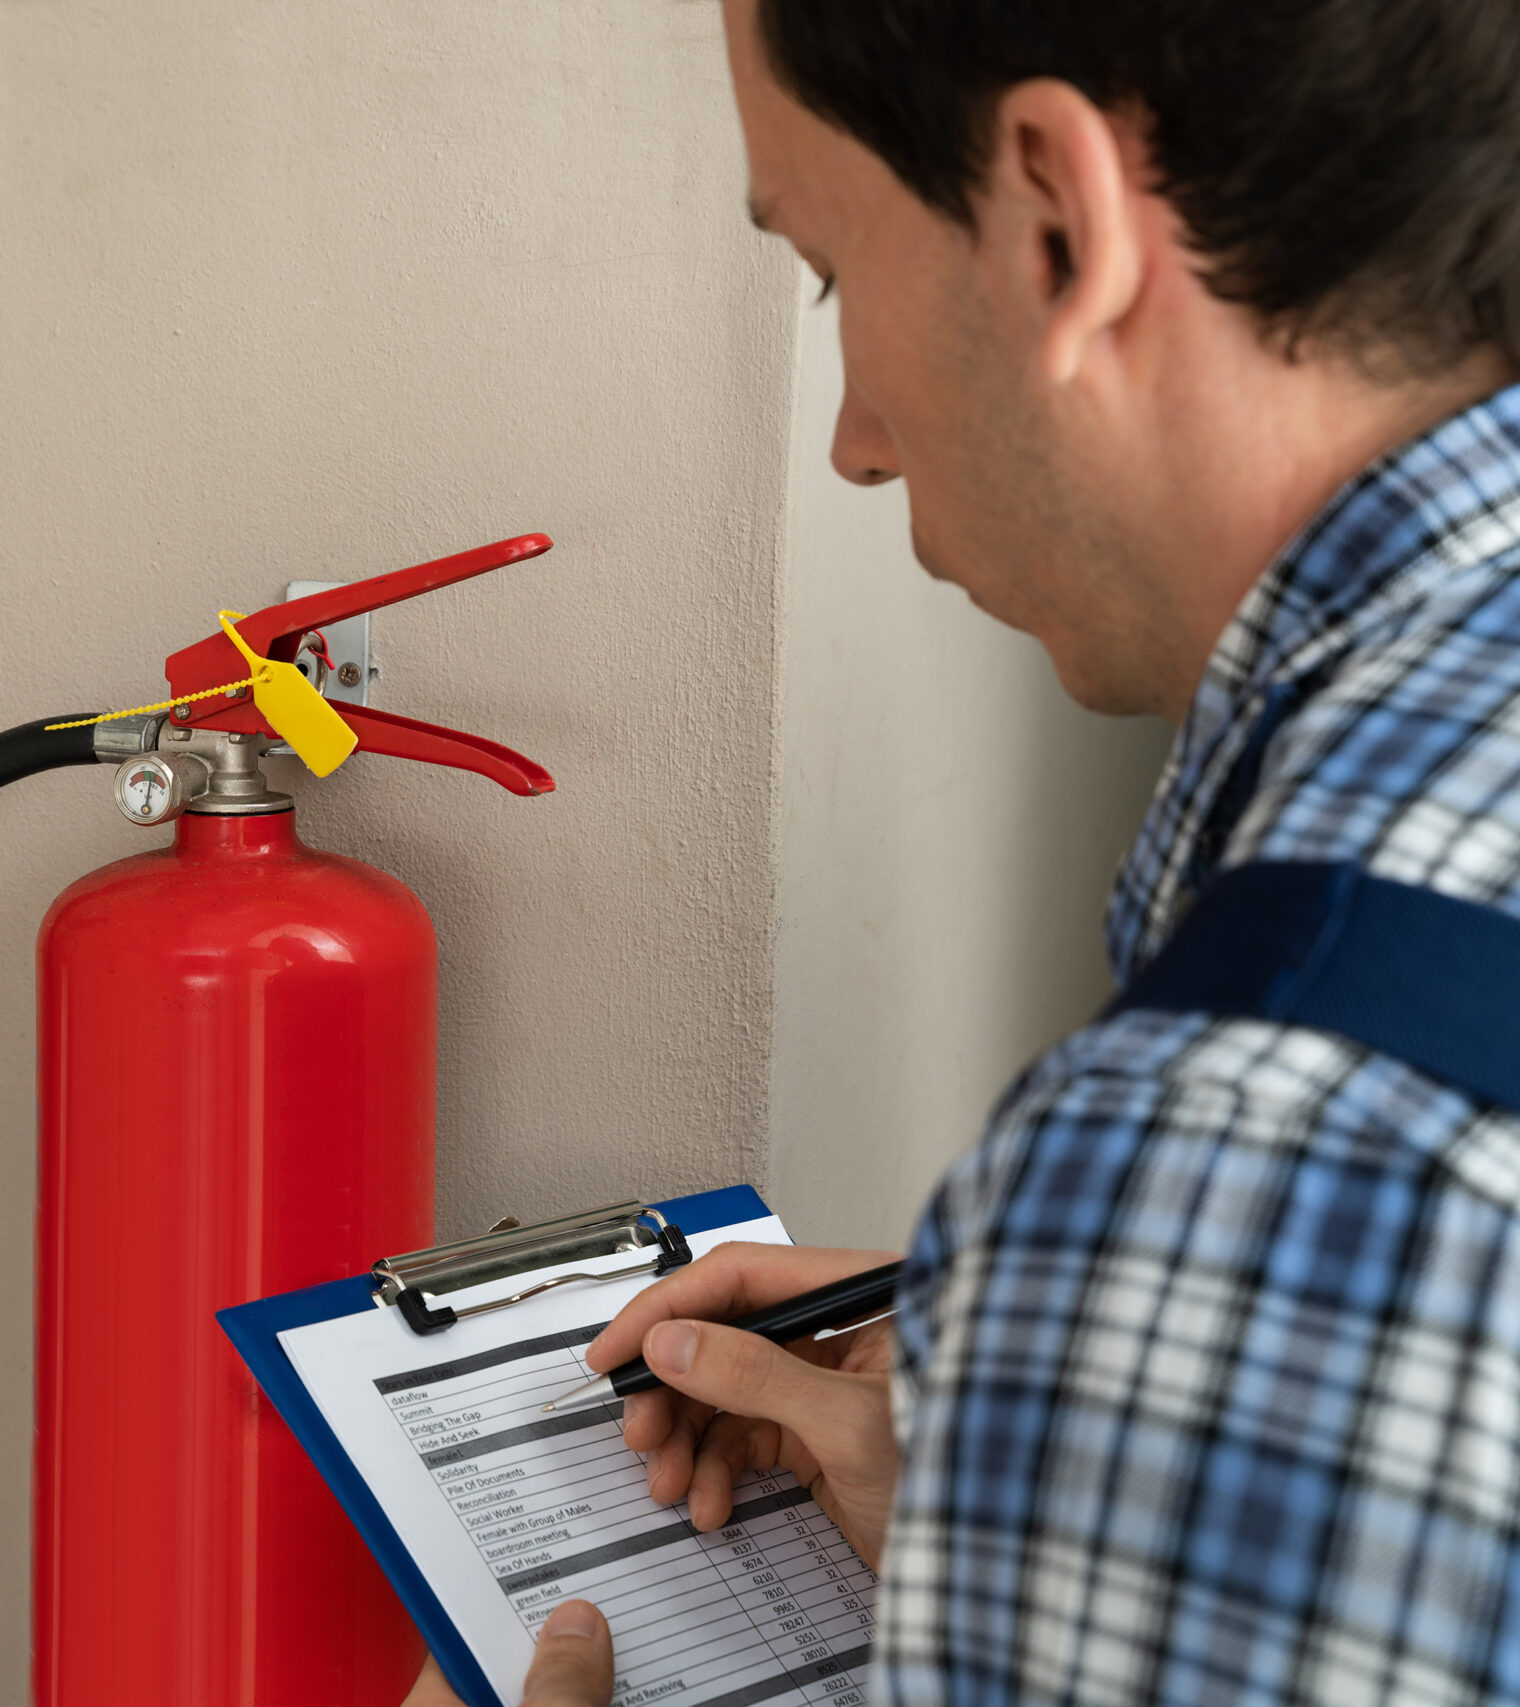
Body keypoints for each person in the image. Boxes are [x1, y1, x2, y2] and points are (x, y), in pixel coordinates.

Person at [408, 0, 1520, 1701]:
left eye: (834, 272)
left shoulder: (1249, 1151)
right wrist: (1067, 1426)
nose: (855, 439)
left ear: (1056, 217)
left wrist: (1125, 1315)